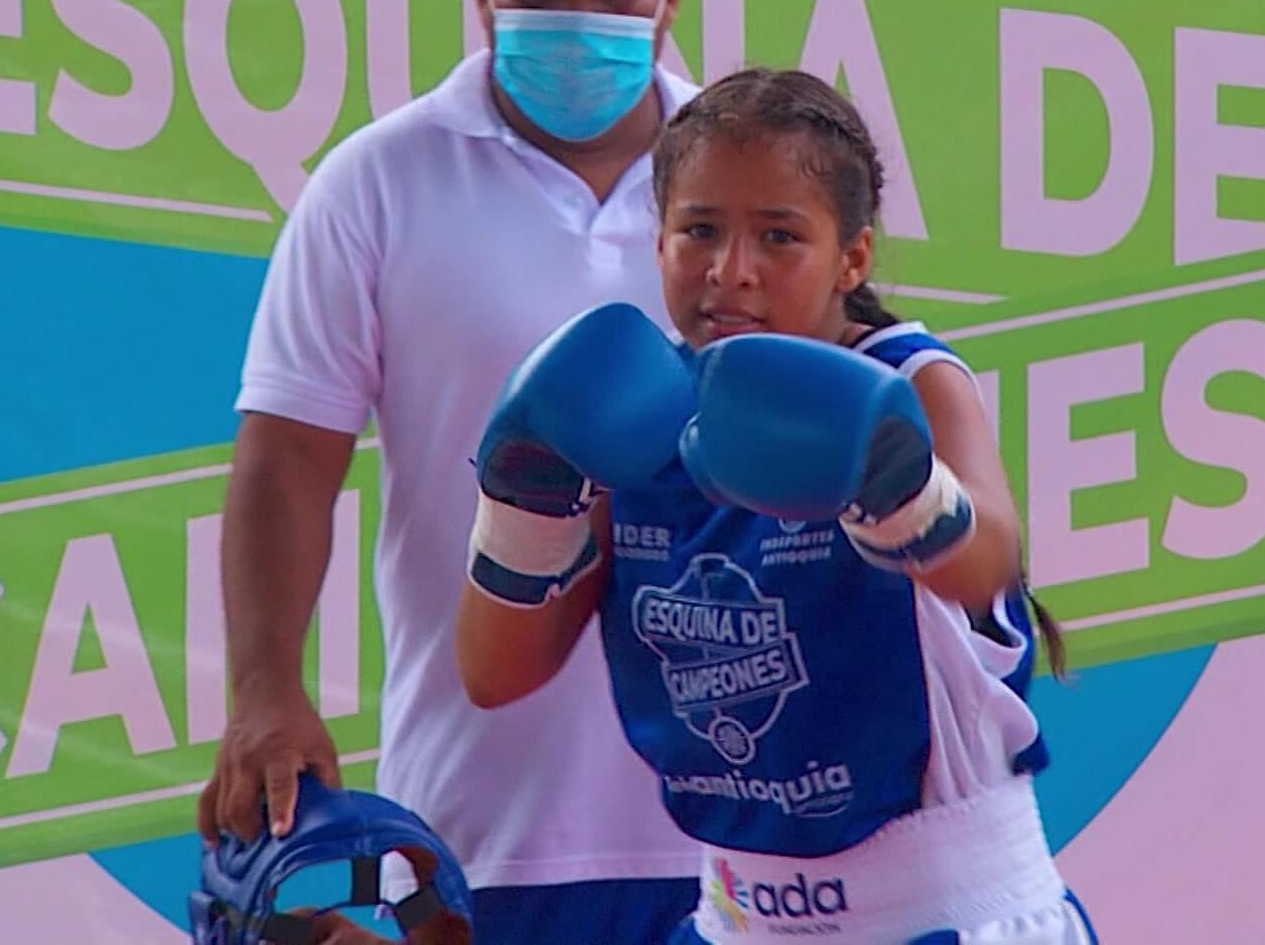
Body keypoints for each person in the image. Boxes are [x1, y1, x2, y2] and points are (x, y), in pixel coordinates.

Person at [455, 68, 1097, 944]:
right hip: (735, 919)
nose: (733, 271)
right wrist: (525, 510)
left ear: (853, 257)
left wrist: (892, 481)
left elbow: (990, 563)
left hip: (943, 914)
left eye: (779, 237)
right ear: (660, 242)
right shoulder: (631, 418)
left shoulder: (906, 378)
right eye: (700, 231)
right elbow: (496, 674)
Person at [197, 0, 703, 939]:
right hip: (478, 827)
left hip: (747, 821)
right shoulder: (376, 183)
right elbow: (287, 459)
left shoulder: (754, 182)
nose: (575, 18)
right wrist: (263, 691)